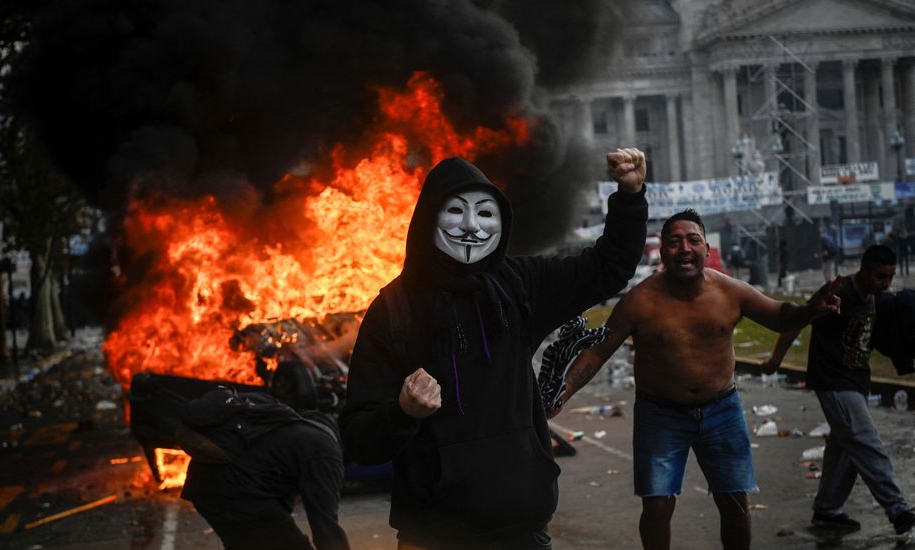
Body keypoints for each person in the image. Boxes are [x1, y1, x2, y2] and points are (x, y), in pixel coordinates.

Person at [340, 151, 648, 548]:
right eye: (455, 211)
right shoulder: (393, 309)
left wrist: (629, 195)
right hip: (433, 534)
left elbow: (607, 268)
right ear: (428, 217)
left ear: (501, 223)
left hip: (522, 528)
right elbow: (360, 439)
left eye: (485, 213)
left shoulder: (519, 285)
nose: (470, 226)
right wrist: (402, 412)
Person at [550, 209, 840, 550]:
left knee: (733, 501)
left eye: (693, 240)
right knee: (657, 505)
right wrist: (561, 394)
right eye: (674, 242)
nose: (684, 248)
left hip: (722, 409)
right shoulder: (639, 301)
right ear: (662, 251)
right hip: (660, 414)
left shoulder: (730, 291)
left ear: (705, 248)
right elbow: (597, 353)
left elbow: (779, 317)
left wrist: (810, 309)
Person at [761, 244, 915, 538]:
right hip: (834, 382)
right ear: (864, 270)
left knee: (844, 448)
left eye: (891, 277)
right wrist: (775, 360)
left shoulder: (872, 297)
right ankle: (899, 511)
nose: (887, 284)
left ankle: (827, 511)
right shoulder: (839, 292)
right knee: (866, 442)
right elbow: (797, 321)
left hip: (856, 382)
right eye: (882, 277)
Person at [179, 365, 350, 550]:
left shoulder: (310, 423)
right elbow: (326, 528)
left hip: (212, 483)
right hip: (231, 491)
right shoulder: (326, 454)